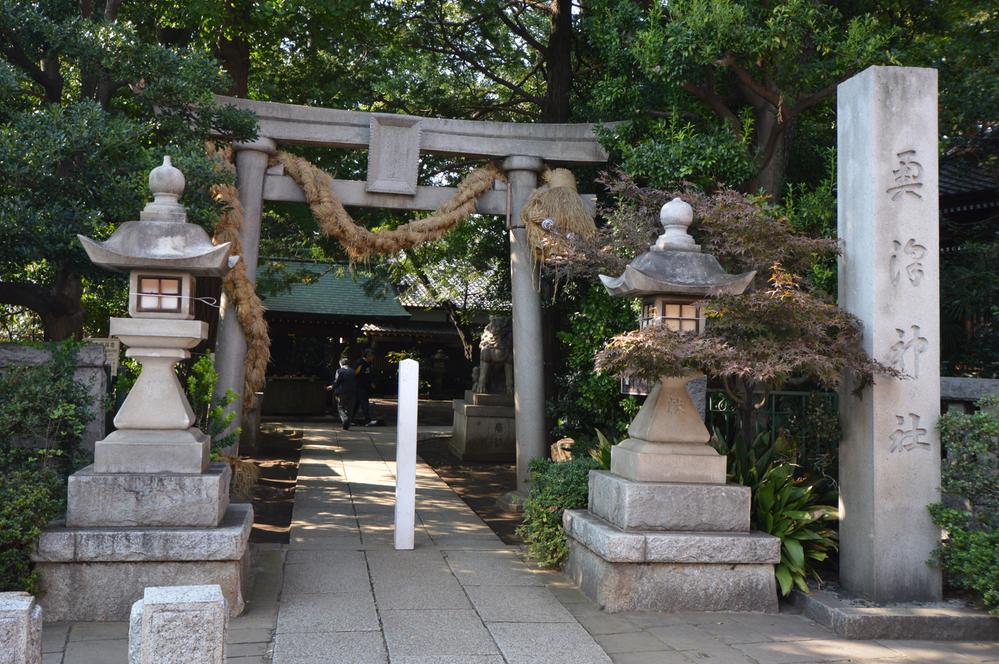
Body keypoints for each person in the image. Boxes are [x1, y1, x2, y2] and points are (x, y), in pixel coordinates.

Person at [326, 358, 356, 430]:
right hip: (352, 391)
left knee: (340, 407)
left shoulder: (339, 371)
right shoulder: (352, 371)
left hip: (342, 391)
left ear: (340, 363)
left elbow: (337, 381)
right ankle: (347, 425)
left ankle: (345, 419)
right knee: (350, 408)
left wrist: (332, 386)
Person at [352, 348, 377, 425]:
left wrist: (371, 382)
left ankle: (349, 420)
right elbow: (354, 373)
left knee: (356, 404)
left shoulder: (368, 363)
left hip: (364, 386)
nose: (373, 358)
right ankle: (368, 420)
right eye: (372, 356)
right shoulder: (360, 363)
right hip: (359, 386)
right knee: (364, 403)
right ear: (368, 356)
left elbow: (368, 375)